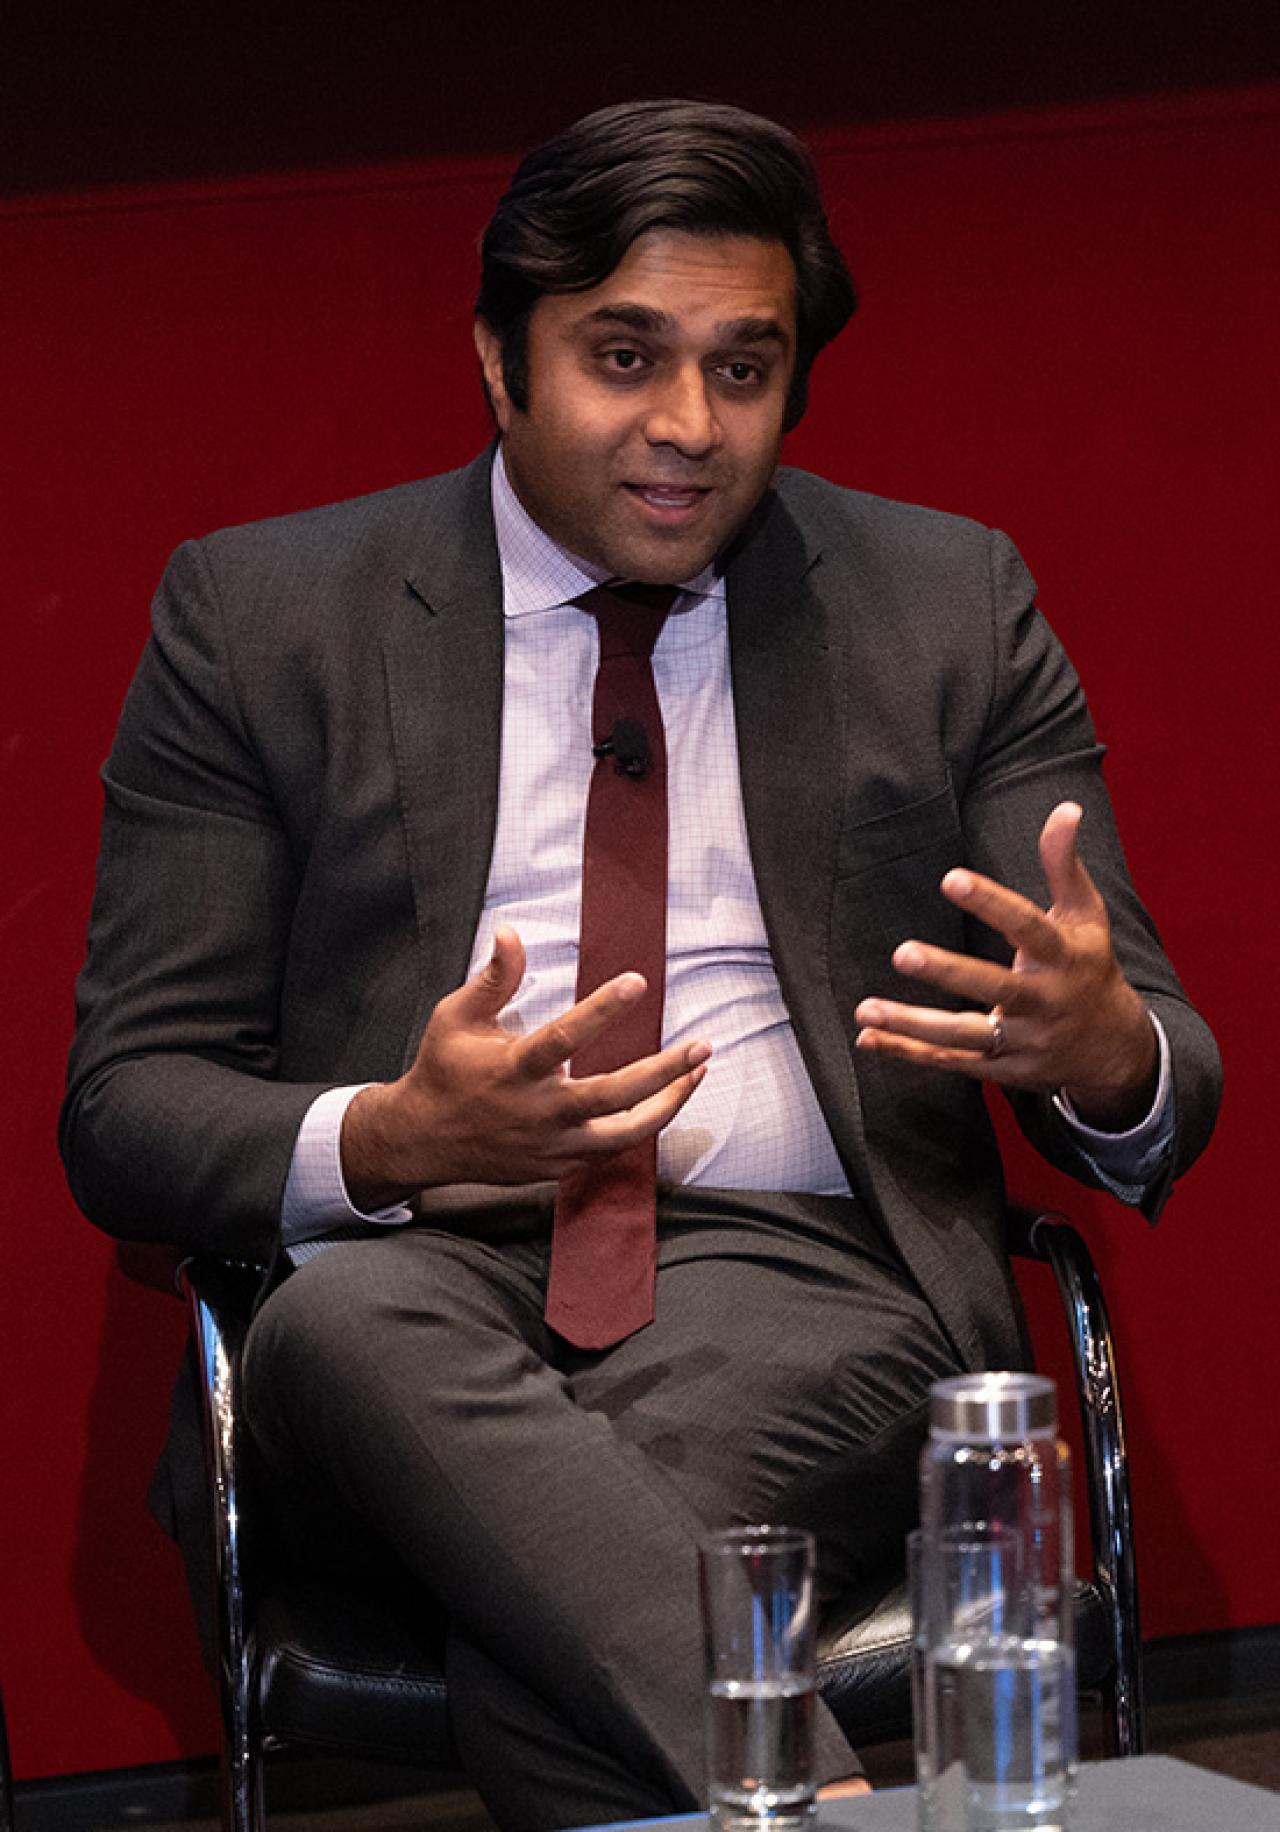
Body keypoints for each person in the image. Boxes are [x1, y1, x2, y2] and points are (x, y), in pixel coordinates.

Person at [61, 98, 1220, 1828]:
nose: (687, 427)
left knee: (578, 1574)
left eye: (741, 371)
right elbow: (126, 1110)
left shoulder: (947, 602)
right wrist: (390, 1139)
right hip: (411, 1292)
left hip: (814, 1293)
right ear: (497, 358)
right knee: (361, 1331)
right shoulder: (259, 618)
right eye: (623, 356)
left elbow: (1166, 1079)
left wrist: (1100, 1047)